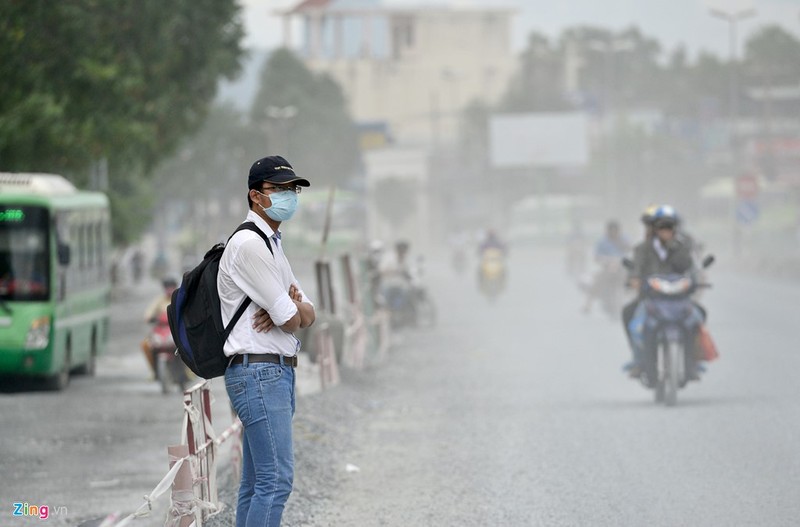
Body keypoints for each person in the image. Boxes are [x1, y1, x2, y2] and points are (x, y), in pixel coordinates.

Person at [218, 155, 315, 527]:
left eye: (293, 189)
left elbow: (308, 313)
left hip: (270, 373)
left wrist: (290, 308)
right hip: (259, 374)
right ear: (256, 196)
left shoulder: (271, 242)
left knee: (257, 482)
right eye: (281, 189)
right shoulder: (250, 245)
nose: (290, 195)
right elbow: (292, 319)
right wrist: (290, 309)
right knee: (276, 481)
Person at [623, 205, 698, 378]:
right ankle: (639, 359)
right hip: (650, 298)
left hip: (679, 298)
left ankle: (692, 362)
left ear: (675, 230)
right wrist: (634, 279)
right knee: (628, 314)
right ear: (655, 230)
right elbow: (635, 269)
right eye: (662, 228)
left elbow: (688, 268)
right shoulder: (643, 249)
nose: (666, 232)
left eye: (669, 228)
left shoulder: (681, 248)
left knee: (699, 315)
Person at [581, 220, 629, 314]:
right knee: (597, 282)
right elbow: (596, 257)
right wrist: (606, 261)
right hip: (607, 268)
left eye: (615, 231)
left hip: (622, 268)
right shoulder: (602, 242)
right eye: (611, 231)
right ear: (607, 231)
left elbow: (631, 251)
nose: (614, 233)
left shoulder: (624, 239)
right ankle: (588, 304)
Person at [141, 278, 178, 376]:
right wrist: (149, 317)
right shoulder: (159, 300)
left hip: (175, 329)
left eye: (171, 288)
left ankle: (189, 371)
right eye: (167, 288)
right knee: (146, 345)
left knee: (187, 344)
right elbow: (149, 313)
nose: (169, 290)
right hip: (161, 329)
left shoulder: (178, 298)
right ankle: (154, 370)